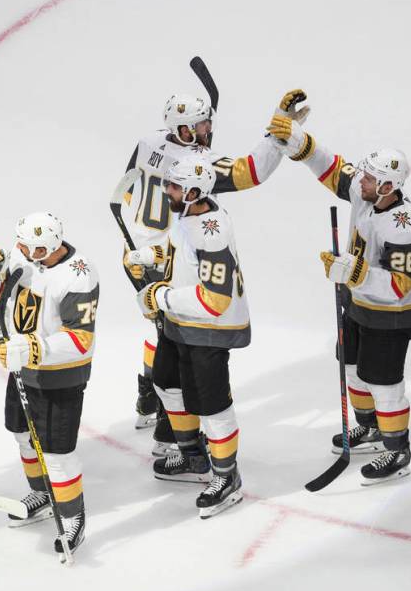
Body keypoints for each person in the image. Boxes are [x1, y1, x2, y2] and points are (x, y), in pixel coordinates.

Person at [116, 90, 307, 455]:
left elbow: (128, 188)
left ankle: (147, 396)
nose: (208, 128)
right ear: (184, 130)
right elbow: (250, 171)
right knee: (173, 334)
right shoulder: (193, 167)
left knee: (162, 329)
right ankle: (167, 433)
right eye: (201, 124)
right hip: (169, 258)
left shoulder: (148, 142)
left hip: (138, 249)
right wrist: (277, 136)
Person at [266, 114, 411, 485]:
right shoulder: (368, 193)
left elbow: (402, 284)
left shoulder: (404, 225)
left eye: (369, 178)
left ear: (387, 186)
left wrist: (354, 274)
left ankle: (397, 449)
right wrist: (301, 141)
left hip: (391, 315)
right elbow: (334, 169)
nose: (361, 181)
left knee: (384, 384)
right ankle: (368, 428)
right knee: (352, 368)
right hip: (357, 305)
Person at [129, 156, 250, 518]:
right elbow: (178, 251)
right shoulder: (190, 214)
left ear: (194, 192)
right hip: (182, 321)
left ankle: (228, 478)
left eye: (175, 187)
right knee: (166, 381)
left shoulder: (212, 231)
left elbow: (214, 300)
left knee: (212, 404)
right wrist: (148, 254)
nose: (168, 191)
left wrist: (158, 296)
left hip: (209, 330)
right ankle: (193, 457)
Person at [0, 212, 99, 557]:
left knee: (58, 454)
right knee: (22, 434)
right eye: (20, 243)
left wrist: (34, 348)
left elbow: (81, 339)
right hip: (23, 368)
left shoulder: (79, 276)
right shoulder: (24, 256)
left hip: (61, 376)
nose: (18, 249)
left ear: (47, 247)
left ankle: (73, 518)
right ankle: (43, 494)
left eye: (29, 246)